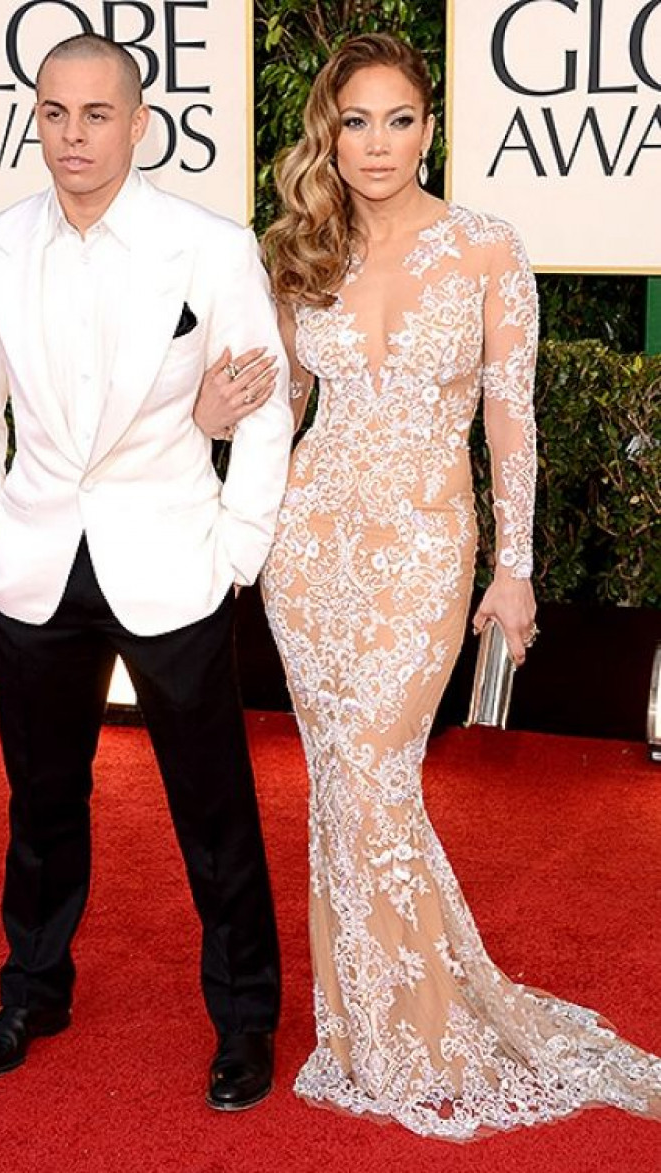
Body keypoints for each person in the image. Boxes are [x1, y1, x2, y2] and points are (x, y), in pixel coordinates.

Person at [195, 33, 661, 1140]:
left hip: (421, 546)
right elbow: (279, 409)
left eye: (398, 119)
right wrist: (213, 437)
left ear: (430, 129)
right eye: (356, 122)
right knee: (342, 783)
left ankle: (421, 1021)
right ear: (329, 134)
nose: (377, 144)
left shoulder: (487, 248)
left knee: (373, 769)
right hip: (310, 547)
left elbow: (511, 418)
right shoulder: (297, 252)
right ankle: (372, 1025)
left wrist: (517, 569)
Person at [0, 33, 293, 1111]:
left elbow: (264, 406)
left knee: (214, 807)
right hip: (33, 565)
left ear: (139, 126)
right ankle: (32, 992)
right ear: (35, 120)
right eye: (54, 112)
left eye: (97, 114)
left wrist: (237, 549)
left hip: (174, 561)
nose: (73, 135)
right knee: (42, 801)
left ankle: (245, 1018)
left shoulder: (208, 246)